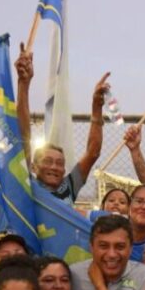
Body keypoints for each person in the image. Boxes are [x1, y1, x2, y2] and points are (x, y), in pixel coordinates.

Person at [15, 43, 110, 203]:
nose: (54, 167)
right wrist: (23, 84)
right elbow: (23, 136)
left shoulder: (70, 186)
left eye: (60, 163)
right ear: (33, 167)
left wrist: (96, 107)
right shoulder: (26, 184)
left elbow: (93, 152)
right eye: (47, 161)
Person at [69, 214, 145, 290]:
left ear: (130, 248)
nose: (112, 254)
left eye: (119, 247)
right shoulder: (73, 275)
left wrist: (100, 287)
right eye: (103, 246)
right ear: (91, 247)